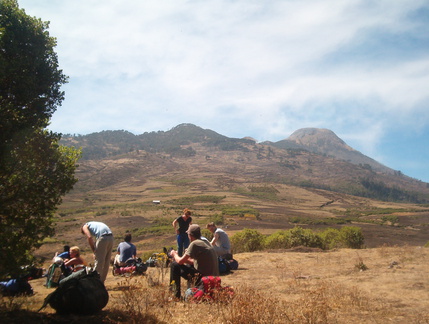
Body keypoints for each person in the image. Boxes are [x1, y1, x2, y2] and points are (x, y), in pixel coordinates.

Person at [169, 224, 219, 299]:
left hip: (203, 279)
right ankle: (189, 289)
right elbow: (195, 262)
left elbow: (180, 262)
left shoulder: (194, 244)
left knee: (174, 265)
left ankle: (175, 295)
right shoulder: (206, 242)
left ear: (190, 235)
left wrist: (174, 254)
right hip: (213, 278)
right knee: (188, 266)